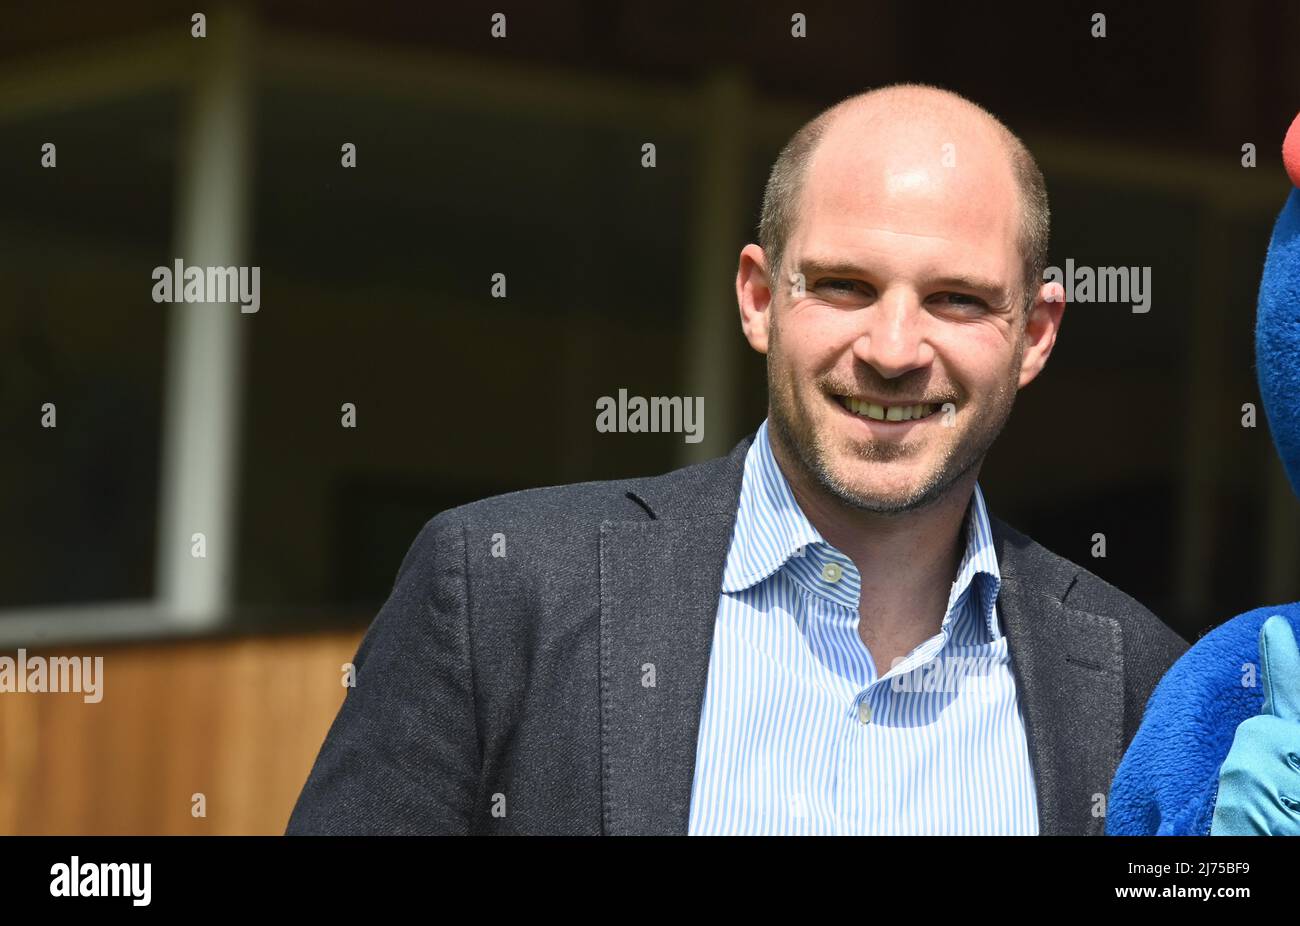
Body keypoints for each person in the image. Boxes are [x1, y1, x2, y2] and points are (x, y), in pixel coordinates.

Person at [287, 83, 1187, 836]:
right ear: (759, 299)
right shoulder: (500, 593)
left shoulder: (1143, 688)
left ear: (1033, 335)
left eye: (956, 300)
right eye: (844, 285)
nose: (894, 347)